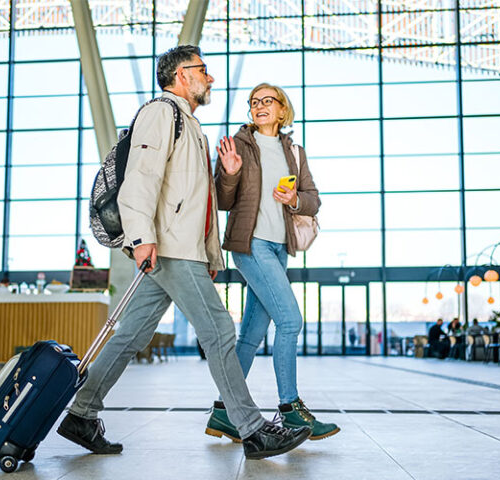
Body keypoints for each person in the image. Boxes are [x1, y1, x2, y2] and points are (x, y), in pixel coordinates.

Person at [56, 45, 311, 460]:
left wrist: (210, 250)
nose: (210, 78)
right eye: (203, 71)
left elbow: (197, 200)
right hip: (169, 247)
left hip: (179, 247)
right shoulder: (162, 113)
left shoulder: (189, 124)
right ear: (180, 76)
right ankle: (252, 429)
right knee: (221, 333)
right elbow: (142, 178)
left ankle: (81, 413)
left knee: (133, 334)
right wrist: (141, 238)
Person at [207, 83, 339, 442]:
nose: (260, 106)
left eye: (268, 100)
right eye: (254, 102)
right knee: (291, 321)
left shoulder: (294, 150)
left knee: (250, 336)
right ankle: (291, 411)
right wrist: (229, 172)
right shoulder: (238, 145)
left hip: (280, 248)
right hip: (250, 245)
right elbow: (221, 199)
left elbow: (313, 200)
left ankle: (223, 414)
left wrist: (295, 198)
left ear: (282, 110)